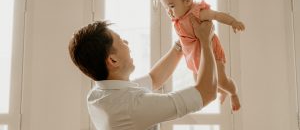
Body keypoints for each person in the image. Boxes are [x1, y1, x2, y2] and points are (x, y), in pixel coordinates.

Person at [68, 17, 217, 130]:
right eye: (120, 41)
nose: (126, 42)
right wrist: (205, 41)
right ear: (113, 60)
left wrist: (182, 42)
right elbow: (207, 92)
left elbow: (154, 79)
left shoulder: (99, 94)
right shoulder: (130, 107)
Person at [160, 0, 245, 111]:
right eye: (165, 8)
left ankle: (233, 93)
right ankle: (221, 90)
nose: (169, 12)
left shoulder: (196, 13)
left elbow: (217, 15)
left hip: (211, 52)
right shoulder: (178, 18)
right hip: (195, 57)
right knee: (202, 85)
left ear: (187, 0)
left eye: (171, 6)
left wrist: (233, 22)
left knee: (222, 81)